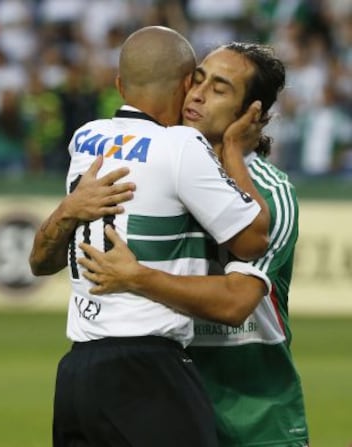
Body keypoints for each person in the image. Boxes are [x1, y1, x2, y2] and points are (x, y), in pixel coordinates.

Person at [29, 27, 271, 447]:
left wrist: (67, 209)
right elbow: (252, 240)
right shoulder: (179, 144)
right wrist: (233, 147)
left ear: (120, 85)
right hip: (148, 374)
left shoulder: (84, 139)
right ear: (184, 86)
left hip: (75, 377)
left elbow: (40, 263)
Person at [76, 43, 309, 446]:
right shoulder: (159, 166)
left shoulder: (272, 194)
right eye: (197, 80)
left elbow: (235, 304)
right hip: (167, 404)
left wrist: (135, 277)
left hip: (256, 419)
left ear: (253, 114)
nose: (198, 94)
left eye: (220, 89)